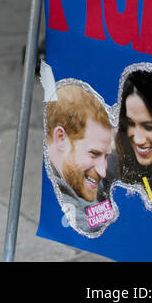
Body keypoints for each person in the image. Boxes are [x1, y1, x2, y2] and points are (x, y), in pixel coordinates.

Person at [45, 83, 115, 234]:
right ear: (61, 139)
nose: (102, 171)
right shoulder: (60, 196)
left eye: (106, 156)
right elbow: (83, 227)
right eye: (94, 154)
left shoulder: (79, 173)